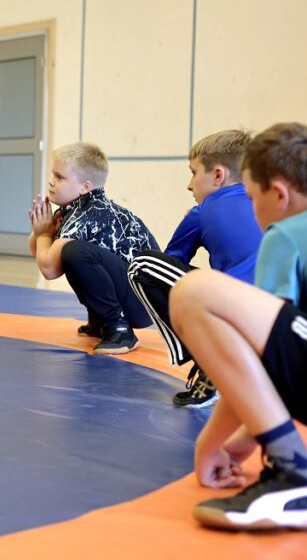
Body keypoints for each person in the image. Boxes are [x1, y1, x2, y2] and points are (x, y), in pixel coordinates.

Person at [169, 122, 307, 531]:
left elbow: (264, 358)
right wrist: (244, 441)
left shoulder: (288, 233)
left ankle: (295, 471)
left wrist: (212, 445)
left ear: (277, 194)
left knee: (194, 292)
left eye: (250, 197)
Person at [127, 130, 262, 408]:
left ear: (217, 176)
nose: (189, 186)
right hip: (282, 317)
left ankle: (208, 361)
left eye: (193, 173)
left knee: (142, 265)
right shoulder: (268, 203)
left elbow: (165, 267)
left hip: (238, 312)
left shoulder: (201, 212)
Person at [28, 142, 159, 354]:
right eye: (52, 175)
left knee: (75, 253)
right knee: (72, 253)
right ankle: (100, 321)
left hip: (145, 304)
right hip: (137, 296)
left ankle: (120, 328)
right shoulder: (73, 207)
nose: (51, 183)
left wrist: (44, 234)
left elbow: (49, 269)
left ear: (85, 186)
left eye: (60, 177)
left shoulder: (91, 213)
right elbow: (38, 252)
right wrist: (41, 231)